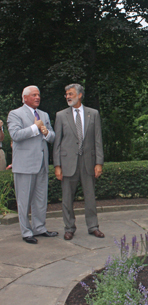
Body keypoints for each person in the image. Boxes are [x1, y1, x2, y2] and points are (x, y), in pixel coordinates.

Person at [7, 86, 58, 244]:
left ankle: (40, 228)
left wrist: (45, 132)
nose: (37, 97)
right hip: (24, 165)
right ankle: (26, 232)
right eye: (34, 95)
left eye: (39, 95)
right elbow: (15, 135)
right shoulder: (15, 114)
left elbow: (52, 136)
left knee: (40, 199)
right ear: (25, 98)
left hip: (41, 164)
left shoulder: (44, 114)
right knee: (24, 200)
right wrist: (35, 127)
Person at [53, 84, 105, 240]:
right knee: (67, 198)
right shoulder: (61, 115)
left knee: (90, 197)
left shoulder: (93, 114)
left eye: (71, 94)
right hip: (68, 163)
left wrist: (99, 163)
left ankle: (93, 227)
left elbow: (98, 140)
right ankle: (69, 228)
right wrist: (57, 165)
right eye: (66, 94)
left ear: (80, 95)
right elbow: (57, 142)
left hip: (88, 162)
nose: (68, 96)